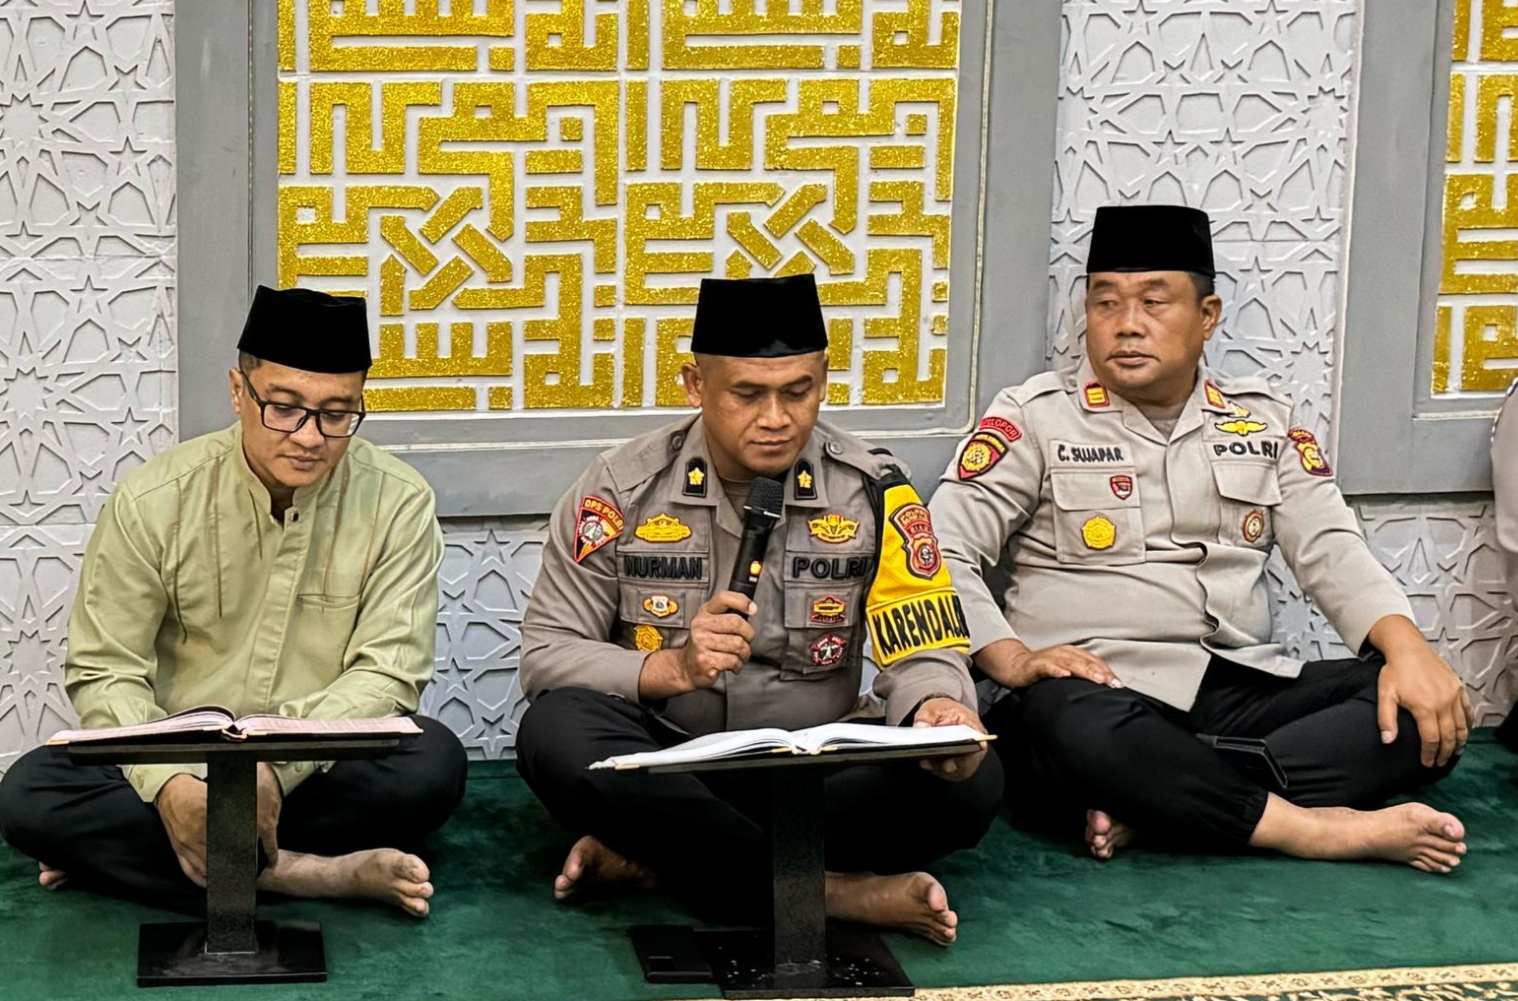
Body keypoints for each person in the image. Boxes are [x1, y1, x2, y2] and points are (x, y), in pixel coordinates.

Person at [930, 205, 1472, 872]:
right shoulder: (1035, 418)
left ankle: (1162, 801)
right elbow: (939, 550)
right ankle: (1308, 828)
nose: (1127, 324)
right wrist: (1012, 659)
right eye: (1105, 303)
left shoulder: (1261, 422)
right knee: (1069, 728)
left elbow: (1332, 548)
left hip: (1235, 687)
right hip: (1096, 689)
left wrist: (1409, 650)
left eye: (1153, 302)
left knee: (1422, 711)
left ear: (1208, 315)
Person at [514, 274, 1002, 946]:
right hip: (670, 763)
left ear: (824, 380)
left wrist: (938, 706)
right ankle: (828, 893)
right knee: (554, 731)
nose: (776, 418)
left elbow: (923, 642)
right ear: (695, 385)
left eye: (797, 392)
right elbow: (547, 655)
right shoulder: (621, 487)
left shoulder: (872, 490)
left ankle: (663, 859)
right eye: (747, 394)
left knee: (973, 779)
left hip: (816, 770)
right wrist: (671, 668)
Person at [0, 286, 467, 917]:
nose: (310, 437)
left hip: (310, 768)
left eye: (336, 414)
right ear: (238, 391)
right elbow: (105, 670)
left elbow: (388, 673)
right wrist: (171, 788)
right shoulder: (154, 499)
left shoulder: (398, 502)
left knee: (432, 763)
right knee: (30, 793)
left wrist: (273, 768)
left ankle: (140, 859)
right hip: (177, 761)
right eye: (285, 408)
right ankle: (306, 874)